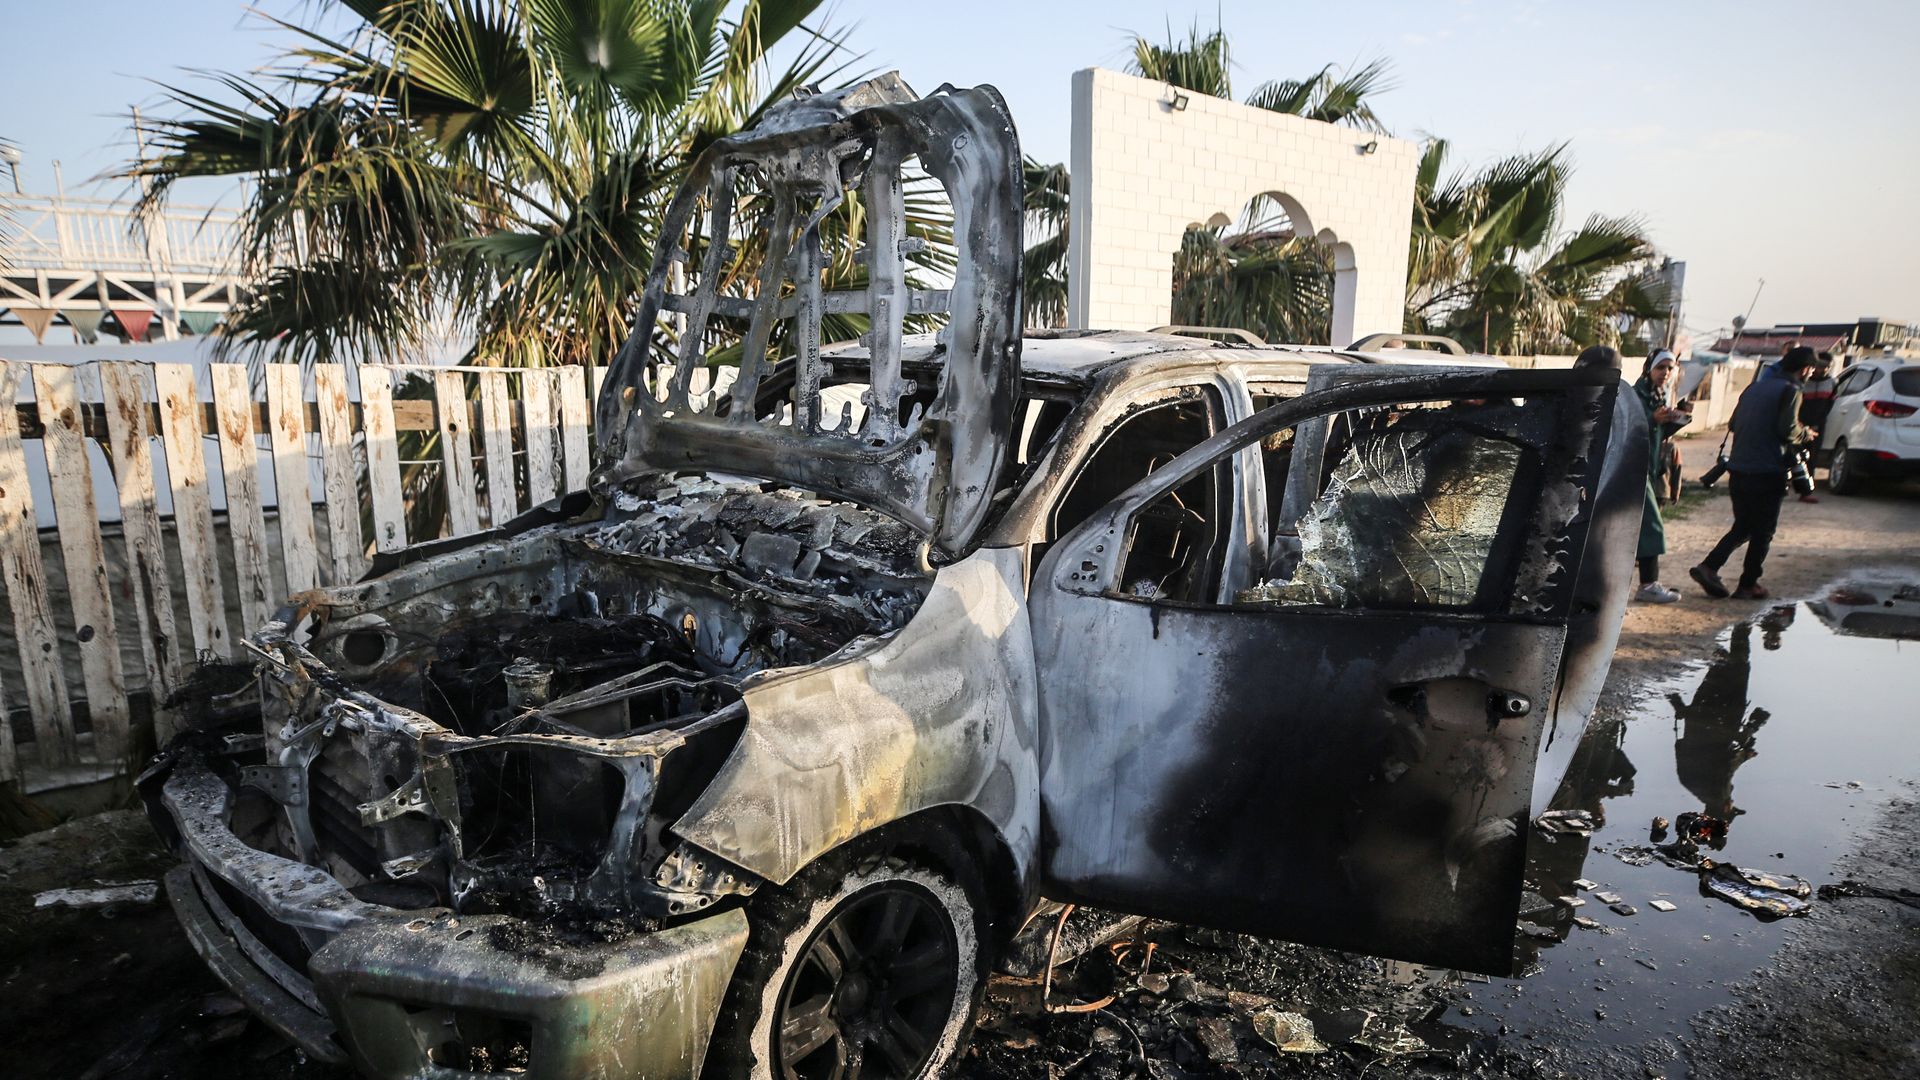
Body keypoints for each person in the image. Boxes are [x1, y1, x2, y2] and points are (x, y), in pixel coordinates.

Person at [1689, 346, 1818, 600]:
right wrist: (1806, 433)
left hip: (1739, 469)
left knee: (1745, 525)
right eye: (1812, 369)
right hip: (1768, 470)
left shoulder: (1753, 388)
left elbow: (1734, 424)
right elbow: (1787, 431)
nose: (1812, 373)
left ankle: (1709, 567)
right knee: (1763, 531)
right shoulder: (1791, 392)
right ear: (1804, 369)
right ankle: (1748, 584)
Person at [1634, 351, 1687, 602]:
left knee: (1638, 528)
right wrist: (1651, 418)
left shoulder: (1657, 395)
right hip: (1633, 468)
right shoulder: (1636, 396)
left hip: (1647, 468)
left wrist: (1677, 419)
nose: (1665, 373)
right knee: (1651, 527)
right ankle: (1648, 585)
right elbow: (1628, 426)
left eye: (1669, 368)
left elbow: (1658, 433)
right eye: (1661, 367)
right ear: (1649, 369)